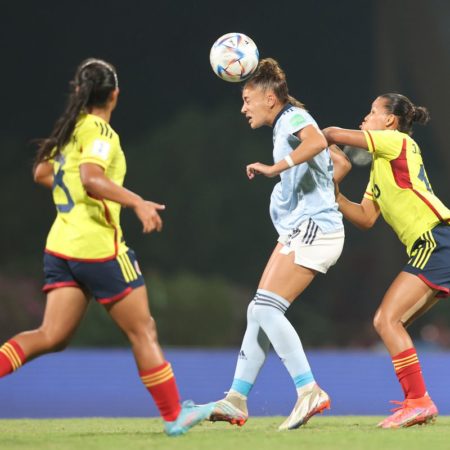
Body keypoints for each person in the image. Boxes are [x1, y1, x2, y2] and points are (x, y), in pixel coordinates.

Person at [0, 58, 213, 436]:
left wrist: (75, 196)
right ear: (115, 94)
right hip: (99, 249)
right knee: (143, 330)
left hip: (61, 247)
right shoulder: (99, 130)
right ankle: (173, 416)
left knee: (51, 336)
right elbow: (91, 177)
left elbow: (42, 173)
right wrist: (136, 202)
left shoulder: (70, 129)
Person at [208, 58, 348, 430]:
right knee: (258, 310)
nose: (243, 108)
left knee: (268, 310)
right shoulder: (289, 122)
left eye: (247, 98)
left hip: (315, 228)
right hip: (301, 228)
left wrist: (276, 168)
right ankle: (237, 398)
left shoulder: (291, 119)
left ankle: (309, 391)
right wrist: (324, 181)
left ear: (270, 98)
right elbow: (336, 160)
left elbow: (317, 141)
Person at [323, 93, 450, 429]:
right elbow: (365, 218)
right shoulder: (380, 168)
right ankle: (417, 401)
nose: (365, 118)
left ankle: (418, 401)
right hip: (436, 244)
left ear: (390, 121)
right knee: (391, 321)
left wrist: (308, 135)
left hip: (435, 240)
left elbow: (334, 132)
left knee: (386, 320)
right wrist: (334, 192)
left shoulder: (396, 142)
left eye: (371, 112)